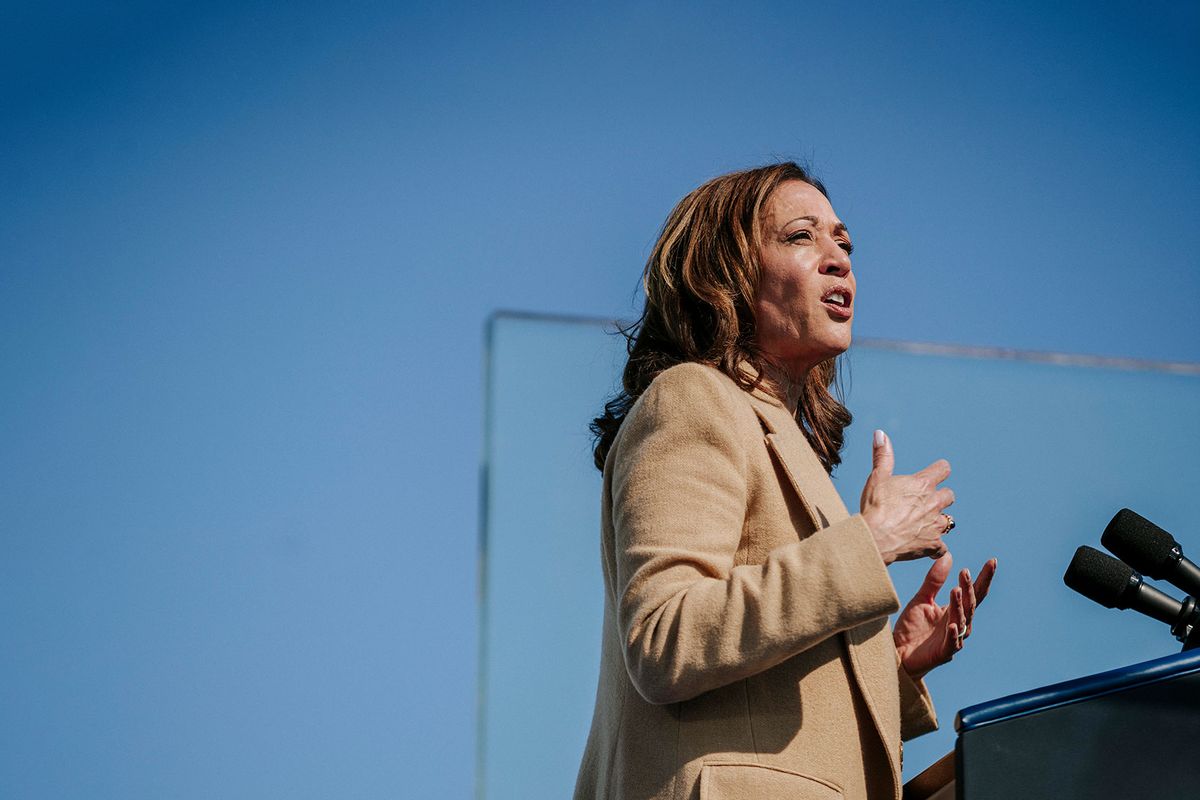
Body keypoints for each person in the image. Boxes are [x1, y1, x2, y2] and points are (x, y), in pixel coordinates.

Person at [574, 162, 998, 800]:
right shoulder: (693, 398)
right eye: (803, 237)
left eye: (844, 242)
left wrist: (890, 666)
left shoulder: (786, 443)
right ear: (726, 274)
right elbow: (665, 637)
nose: (838, 260)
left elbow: (765, 703)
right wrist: (870, 545)